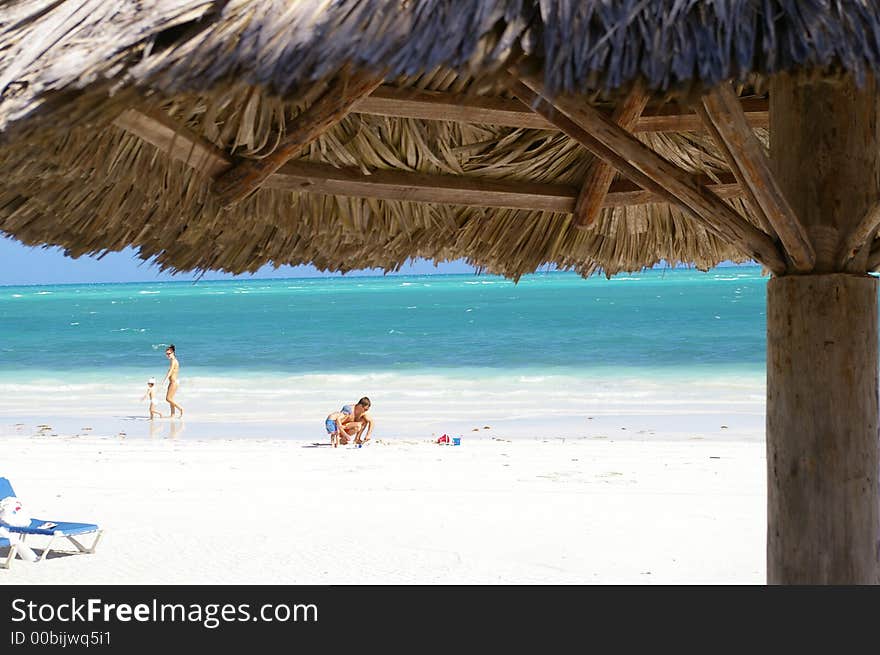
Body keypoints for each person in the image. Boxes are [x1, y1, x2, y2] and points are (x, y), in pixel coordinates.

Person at [163, 344, 184, 418]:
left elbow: (171, 371)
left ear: (173, 352)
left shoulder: (173, 361)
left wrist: (164, 381)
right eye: (166, 354)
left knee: (168, 399)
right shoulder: (173, 360)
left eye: (169, 353)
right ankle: (172, 414)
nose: (167, 355)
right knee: (171, 399)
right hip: (172, 382)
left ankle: (181, 409)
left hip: (174, 382)